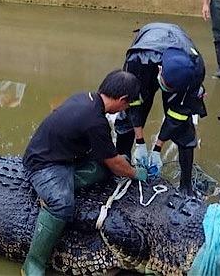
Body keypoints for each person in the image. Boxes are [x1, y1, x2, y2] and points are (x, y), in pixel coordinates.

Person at [21, 70, 147, 275]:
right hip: (42, 164)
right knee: (62, 205)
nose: (126, 108)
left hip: (65, 156)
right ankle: (33, 263)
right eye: (128, 104)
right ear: (123, 100)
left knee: (106, 169)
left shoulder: (85, 97)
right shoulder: (96, 122)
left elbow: (109, 157)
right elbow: (116, 164)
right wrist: (135, 173)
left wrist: (119, 163)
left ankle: (60, 185)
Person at [114, 23, 207, 197]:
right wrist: (140, 142)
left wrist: (157, 148)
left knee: (183, 126)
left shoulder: (195, 70)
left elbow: (178, 113)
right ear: (160, 69)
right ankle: (121, 166)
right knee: (128, 112)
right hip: (146, 54)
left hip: (181, 54)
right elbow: (134, 102)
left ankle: (186, 186)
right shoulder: (136, 60)